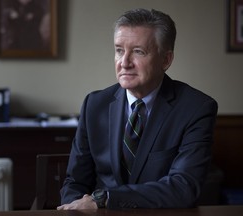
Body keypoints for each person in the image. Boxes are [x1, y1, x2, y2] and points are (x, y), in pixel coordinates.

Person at [57, 8, 218, 210]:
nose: (124, 62)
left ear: (166, 60)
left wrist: (105, 199)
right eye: (119, 50)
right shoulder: (94, 104)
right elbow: (75, 182)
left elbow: (183, 187)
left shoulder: (196, 108)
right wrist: (72, 209)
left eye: (138, 51)